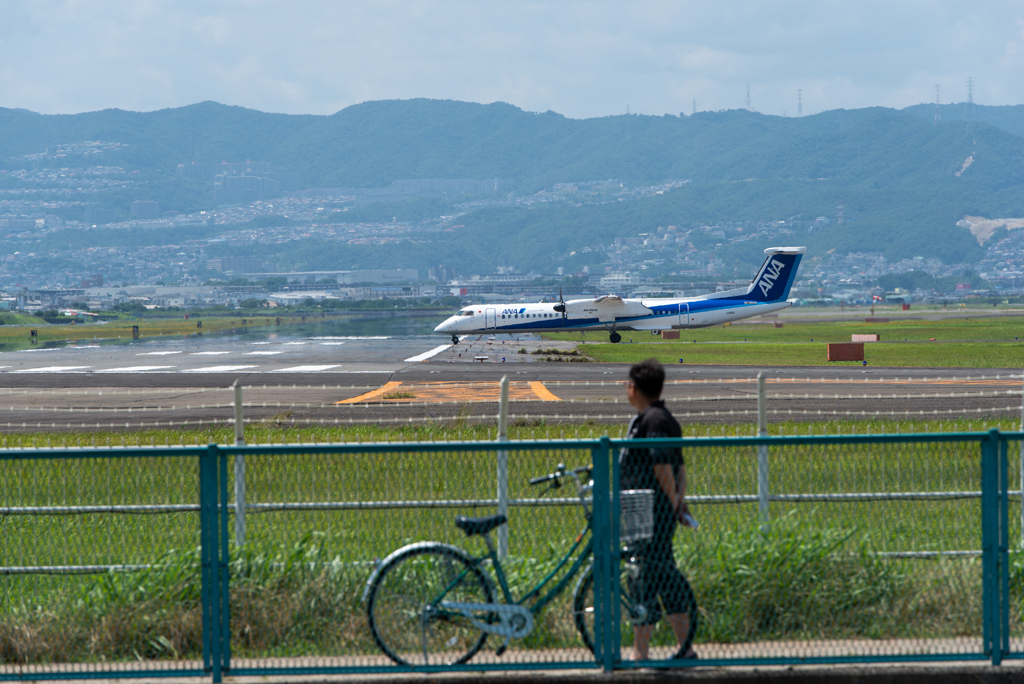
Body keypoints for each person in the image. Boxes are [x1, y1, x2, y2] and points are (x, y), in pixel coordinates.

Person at [619, 358, 698, 661]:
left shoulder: (654, 420)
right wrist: (679, 498)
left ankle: (642, 652)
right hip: (649, 508)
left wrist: (675, 501)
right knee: (663, 574)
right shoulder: (655, 418)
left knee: (644, 575)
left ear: (634, 387)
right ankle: (683, 646)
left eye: (627, 384)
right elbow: (680, 469)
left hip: (651, 509)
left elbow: (664, 464)